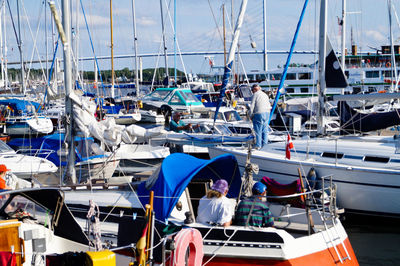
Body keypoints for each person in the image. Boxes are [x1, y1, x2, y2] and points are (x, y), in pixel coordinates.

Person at [249, 84, 271, 149]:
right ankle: (265, 146)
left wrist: (250, 115)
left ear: (254, 90)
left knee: (258, 130)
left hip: (259, 113)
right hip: (267, 113)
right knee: (265, 130)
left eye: (252, 90)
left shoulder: (255, 95)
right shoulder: (265, 95)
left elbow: (252, 106)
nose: (252, 92)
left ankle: (258, 145)